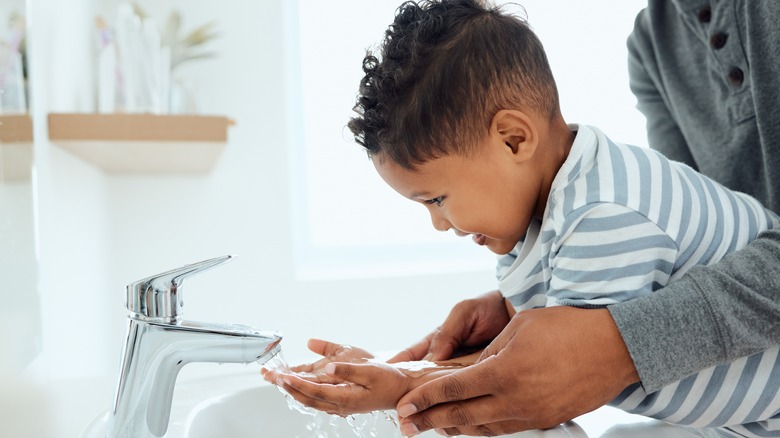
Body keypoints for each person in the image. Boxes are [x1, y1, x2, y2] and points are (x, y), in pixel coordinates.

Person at [264, 0, 780, 436]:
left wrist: (399, 383)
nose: (439, 225)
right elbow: (560, 344)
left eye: (438, 199)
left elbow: (546, 378)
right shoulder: (650, 50)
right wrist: (425, 359)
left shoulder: (600, 215)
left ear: (514, 138)